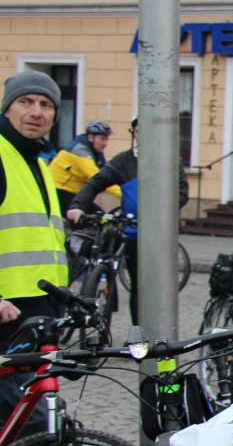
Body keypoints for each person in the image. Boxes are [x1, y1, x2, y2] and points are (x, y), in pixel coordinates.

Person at [0, 70, 69, 446]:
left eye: (45, 106)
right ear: (8, 108)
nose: (36, 113)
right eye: (26, 103)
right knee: (18, 421)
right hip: (6, 312)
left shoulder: (39, 161)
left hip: (38, 310)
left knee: (38, 417)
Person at [68, 116, 188, 326]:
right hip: (134, 232)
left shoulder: (169, 160)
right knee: (139, 286)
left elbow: (182, 192)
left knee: (158, 286)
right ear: (133, 133)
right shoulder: (123, 161)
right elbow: (96, 182)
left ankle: (162, 332)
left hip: (161, 233)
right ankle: (139, 333)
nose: (143, 136)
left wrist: (160, 212)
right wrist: (78, 206)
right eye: (138, 131)